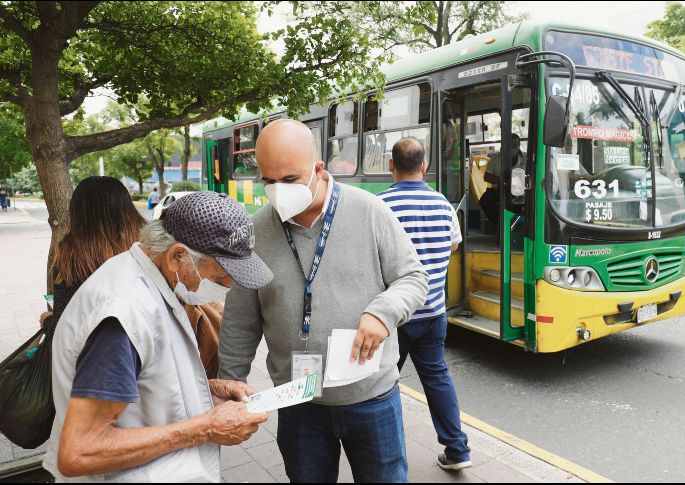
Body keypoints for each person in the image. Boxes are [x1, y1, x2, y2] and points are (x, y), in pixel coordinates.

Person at [219, 119, 429, 483]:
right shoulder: (256, 230)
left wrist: (383, 313)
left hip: (371, 397)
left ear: (319, 169)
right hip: (298, 403)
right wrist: (230, 385)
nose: (277, 191)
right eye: (268, 181)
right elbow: (240, 319)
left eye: (289, 180)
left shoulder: (369, 211)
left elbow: (413, 278)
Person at [43, 191, 273, 482]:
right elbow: (79, 451)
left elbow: (141, 381)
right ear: (178, 256)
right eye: (218, 278)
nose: (227, 288)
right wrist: (205, 427)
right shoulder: (124, 314)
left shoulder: (152, 281)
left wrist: (203, 392)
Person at [378, 138, 472, 471]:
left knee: (383, 385)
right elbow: (453, 247)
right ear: (424, 167)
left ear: (391, 166)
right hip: (433, 311)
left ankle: (385, 456)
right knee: (437, 379)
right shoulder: (444, 205)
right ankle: (458, 449)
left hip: (394, 317)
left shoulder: (379, 207)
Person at [39, 177, 146, 331]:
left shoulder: (71, 257)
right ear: (127, 208)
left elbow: (62, 328)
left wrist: (47, 320)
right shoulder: (148, 247)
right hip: (148, 343)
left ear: (77, 213)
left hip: (93, 349)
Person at [479, 133, 525, 224]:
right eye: (510, 145)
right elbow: (486, 177)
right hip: (498, 190)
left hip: (519, 192)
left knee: (523, 204)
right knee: (485, 201)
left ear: (519, 146)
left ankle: (517, 225)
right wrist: (503, 179)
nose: (513, 148)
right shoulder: (495, 158)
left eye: (515, 145)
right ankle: (498, 224)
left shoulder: (526, 158)